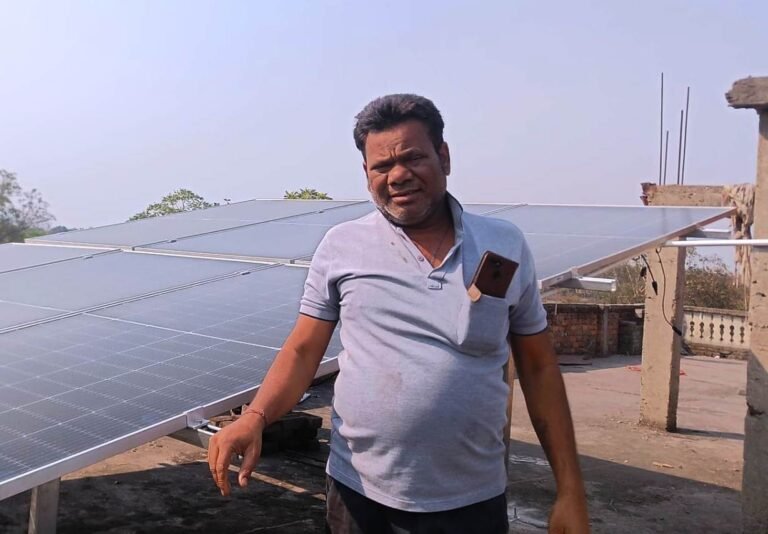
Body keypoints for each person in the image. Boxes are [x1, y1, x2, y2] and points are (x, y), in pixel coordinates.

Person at [208, 94, 589, 533]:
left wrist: (570, 490)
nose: (398, 175)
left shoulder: (504, 244)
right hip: (359, 496)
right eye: (382, 166)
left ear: (444, 157)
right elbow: (302, 351)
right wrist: (254, 417)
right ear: (366, 174)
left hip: (472, 502)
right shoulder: (341, 246)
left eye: (413, 158)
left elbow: (539, 369)